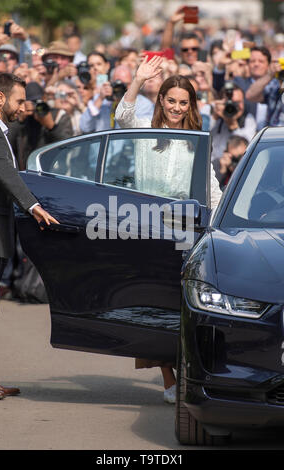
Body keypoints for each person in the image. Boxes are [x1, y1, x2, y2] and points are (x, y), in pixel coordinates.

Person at [115, 56, 222, 403]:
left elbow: (211, 188)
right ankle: (167, 378)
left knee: (180, 305)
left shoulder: (196, 140)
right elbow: (121, 118)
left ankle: (187, 372)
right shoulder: (145, 128)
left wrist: (222, 219)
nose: (176, 107)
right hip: (147, 225)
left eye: (183, 102)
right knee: (151, 305)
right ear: (161, 100)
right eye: (171, 100)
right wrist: (137, 80)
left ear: (190, 106)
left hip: (183, 229)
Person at [0, 73, 58, 399]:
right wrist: (33, 206)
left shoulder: (4, 130)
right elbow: (5, 173)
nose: (24, 107)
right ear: (0, 99)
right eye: (19, 101)